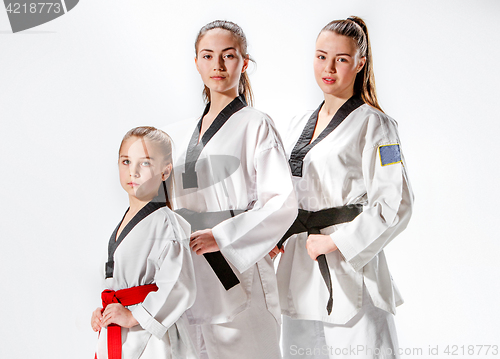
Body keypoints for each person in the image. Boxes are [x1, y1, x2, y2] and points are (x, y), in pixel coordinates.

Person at [275, 17, 414, 359]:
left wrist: (336, 241)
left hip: (349, 266)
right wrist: (274, 234)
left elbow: (396, 204)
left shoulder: (377, 126)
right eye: (322, 56)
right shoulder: (297, 124)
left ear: (360, 63)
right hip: (299, 264)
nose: (329, 68)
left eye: (341, 59)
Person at [168, 20, 297, 359]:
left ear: (244, 62)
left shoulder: (256, 124)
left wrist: (224, 236)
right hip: (195, 275)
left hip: (236, 271)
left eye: (228, 56)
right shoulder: (184, 137)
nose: (218, 65)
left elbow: (280, 200)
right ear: (196, 62)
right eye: (208, 56)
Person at [90, 126, 197, 359]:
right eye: (126, 161)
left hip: (152, 339)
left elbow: (180, 285)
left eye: (145, 163)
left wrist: (135, 316)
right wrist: (103, 312)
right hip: (122, 329)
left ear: (165, 171)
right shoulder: (123, 223)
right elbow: (117, 282)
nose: (134, 172)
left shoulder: (167, 224)